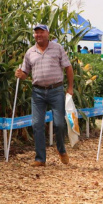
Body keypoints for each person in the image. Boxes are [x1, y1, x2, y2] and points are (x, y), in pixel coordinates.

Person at [15, 24, 74, 167]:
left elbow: (68, 68)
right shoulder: (30, 52)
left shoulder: (57, 48)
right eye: (36, 33)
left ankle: (61, 149)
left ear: (47, 33)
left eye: (41, 32)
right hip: (38, 92)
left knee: (59, 124)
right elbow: (25, 74)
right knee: (36, 124)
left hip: (56, 90)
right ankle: (40, 159)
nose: (38, 35)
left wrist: (70, 88)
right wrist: (20, 74)